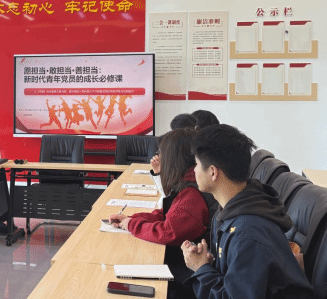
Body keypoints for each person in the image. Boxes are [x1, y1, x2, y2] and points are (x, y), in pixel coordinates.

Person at [182, 124, 313, 299]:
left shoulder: (247, 232)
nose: (194, 170)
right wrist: (209, 265)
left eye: (197, 164)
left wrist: (201, 269)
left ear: (213, 172)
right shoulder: (234, 208)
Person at [110, 129, 217, 298]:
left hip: (187, 275)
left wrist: (132, 224)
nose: (159, 158)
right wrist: (132, 219)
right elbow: (167, 213)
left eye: (162, 154)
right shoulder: (187, 184)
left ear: (172, 159)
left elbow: (168, 232)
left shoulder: (192, 194)